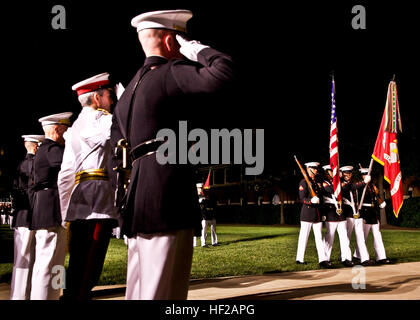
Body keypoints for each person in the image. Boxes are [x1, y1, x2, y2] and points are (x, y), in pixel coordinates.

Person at [109, 9, 234, 300]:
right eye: (180, 38)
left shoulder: (128, 92)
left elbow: (117, 149)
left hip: (140, 195)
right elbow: (224, 71)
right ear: (170, 41)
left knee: (140, 288)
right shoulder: (169, 72)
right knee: (164, 290)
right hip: (166, 192)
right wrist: (195, 49)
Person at [58, 73, 120, 300]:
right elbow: (127, 126)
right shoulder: (103, 120)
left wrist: (65, 211)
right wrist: (126, 100)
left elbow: (65, 174)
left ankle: (70, 296)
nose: (112, 101)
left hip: (78, 202)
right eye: (109, 96)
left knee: (77, 261)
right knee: (90, 266)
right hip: (98, 202)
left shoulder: (73, 129)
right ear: (96, 98)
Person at [30, 112, 72, 299]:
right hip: (52, 211)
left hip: (45, 210)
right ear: (56, 129)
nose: (67, 134)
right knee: (51, 262)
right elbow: (69, 165)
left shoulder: (43, 149)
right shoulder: (52, 148)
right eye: (65, 129)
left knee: (50, 262)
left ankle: (53, 294)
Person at [9, 134, 44, 299]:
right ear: (37, 147)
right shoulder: (36, 164)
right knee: (39, 259)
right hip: (34, 215)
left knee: (21, 261)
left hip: (22, 216)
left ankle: (19, 295)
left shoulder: (20, 165)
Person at [296, 162, 332, 268]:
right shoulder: (303, 182)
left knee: (319, 237)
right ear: (308, 169)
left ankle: (322, 259)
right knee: (304, 237)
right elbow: (302, 199)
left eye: (316, 169)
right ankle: (299, 258)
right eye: (314, 169)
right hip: (307, 213)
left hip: (317, 214)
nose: (316, 170)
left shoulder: (317, 182)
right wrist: (311, 201)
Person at [340, 165, 374, 266]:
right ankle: (344, 257)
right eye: (345, 173)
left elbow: (358, 188)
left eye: (349, 173)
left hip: (357, 214)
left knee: (361, 236)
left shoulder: (355, 183)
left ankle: (364, 259)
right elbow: (350, 187)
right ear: (342, 174)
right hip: (348, 214)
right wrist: (364, 182)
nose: (348, 175)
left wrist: (366, 183)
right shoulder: (341, 184)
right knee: (346, 237)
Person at [321, 165, 353, 267]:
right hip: (331, 213)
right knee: (329, 237)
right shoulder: (324, 182)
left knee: (344, 237)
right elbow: (330, 190)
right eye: (331, 171)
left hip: (341, 213)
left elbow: (344, 189)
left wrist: (339, 183)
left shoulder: (338, 182)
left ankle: (346, 258)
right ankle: (325, 259)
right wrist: (338, 183)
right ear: (326, 172)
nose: (334, 172)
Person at [357, 168, 390, 264]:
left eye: (368, 174)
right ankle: (359, 255)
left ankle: (381, 257)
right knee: (363, 236)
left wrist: (378, 196)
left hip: (373, 212)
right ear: (362, 176)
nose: (366, 176)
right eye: (364, 175)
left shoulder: (372, 186)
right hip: (364, 212)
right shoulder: (360, 186)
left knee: (377, 235)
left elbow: (376, 199)